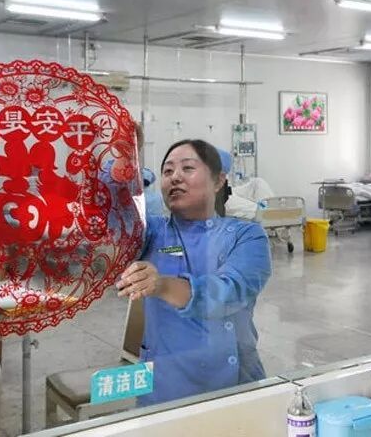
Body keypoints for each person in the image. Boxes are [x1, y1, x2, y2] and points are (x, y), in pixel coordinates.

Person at [115, 139, 272, 405]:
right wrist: (123, 158)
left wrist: (162, 285)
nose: (175, 177)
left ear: (218, 181)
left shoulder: (246, 235)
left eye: (188, 168)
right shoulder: (152, 232)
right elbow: (109, 228)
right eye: (167, 171)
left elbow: (229, 292)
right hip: (164, 385)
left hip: (233, 389)